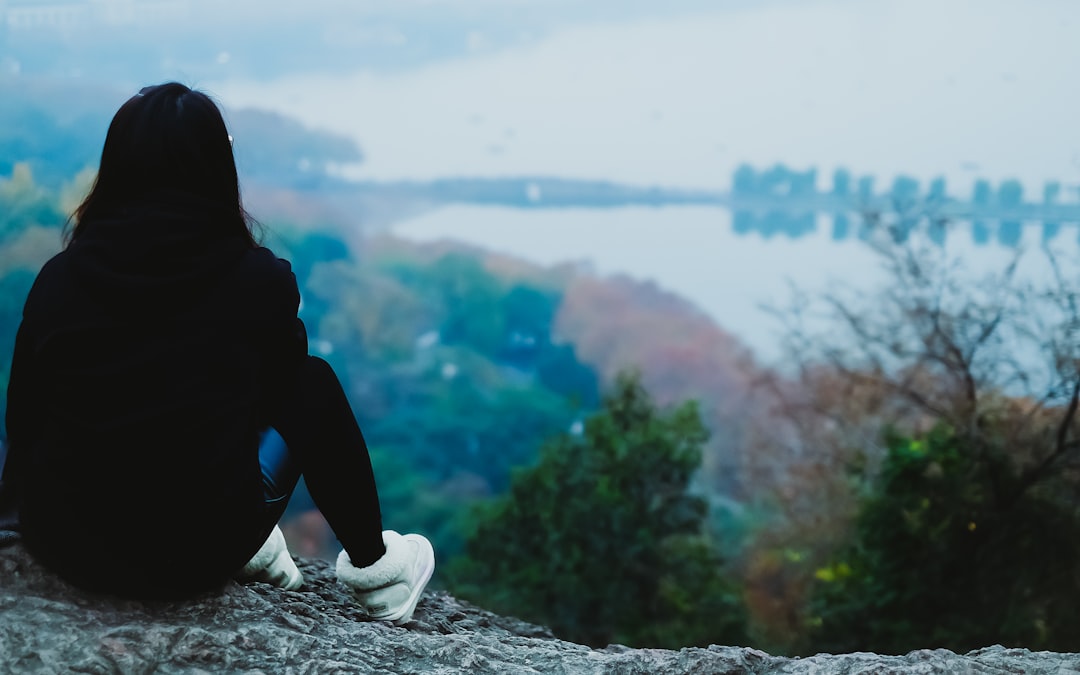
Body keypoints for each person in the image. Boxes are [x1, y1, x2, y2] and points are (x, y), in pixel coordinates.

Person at [0, 82, 434, 624]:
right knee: (311, 384)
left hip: (66, 547)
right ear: (216, 167)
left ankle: (257, 547)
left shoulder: (59, 279)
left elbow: (25, 418)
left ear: (117, 168)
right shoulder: (258, 282)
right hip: (194, 555)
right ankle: (380, 574)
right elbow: (273, 403)